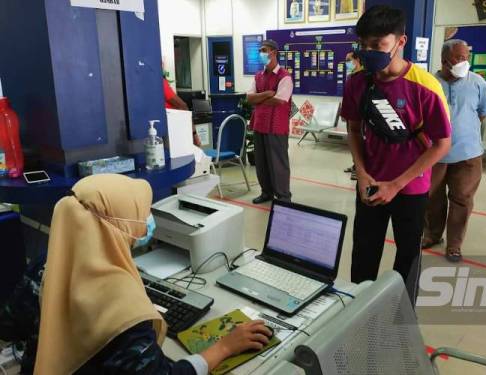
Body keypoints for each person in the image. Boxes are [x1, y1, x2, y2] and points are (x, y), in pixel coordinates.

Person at [34, 174, 272, 375]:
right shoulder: (120, 304)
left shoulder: (45, 269)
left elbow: (10, 326)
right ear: (116, 225)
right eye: (140, 212)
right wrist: (224, 348)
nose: (147, 219)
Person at [340, 5, 452, 306]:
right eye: (364, 45)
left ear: (400, 42)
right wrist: (362, 173)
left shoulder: (425, 86)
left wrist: (397, 184)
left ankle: (403, 316)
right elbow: (353, 129)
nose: (369, 52)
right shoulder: (358, 82)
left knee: (407, 257)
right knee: (364, 253)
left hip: (410, 188)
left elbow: (442, 144)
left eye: (378, 45)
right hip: (370, 184)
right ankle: (358, 312)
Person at [422, 39, 486, 262]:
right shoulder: (428, 83)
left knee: (462, 199)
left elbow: (482, 114)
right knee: (431, 197)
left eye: (467, 57)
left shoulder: (478, 83)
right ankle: (432, 235)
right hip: (433, 155)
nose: (465, 62)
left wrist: (463, 132)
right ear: (445, 60)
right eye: (460, 57)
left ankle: (454, 244)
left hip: (468, 155)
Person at [246, 39, 293, 204]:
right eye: (260, 50)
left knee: (278, 163)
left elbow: (280, 100)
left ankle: (283, 196)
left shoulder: (285, 77)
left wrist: (258, 99)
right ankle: (266, 192)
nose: (261, 54)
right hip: (259, 125)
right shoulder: (258, 76)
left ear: (274, 52)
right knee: (261, 162)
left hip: (276, 127)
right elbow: (249, 98)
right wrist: (267, 94)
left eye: (264, 50)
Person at [342, 50, 363, 180]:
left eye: (349, 60)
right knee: (352, 141)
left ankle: (359, 169)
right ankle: (355, 165)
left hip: (359, 118)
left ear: (357, 60)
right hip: (350, 115)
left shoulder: (363, 77)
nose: (347, 63)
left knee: (359, 142)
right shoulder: (351, 76)